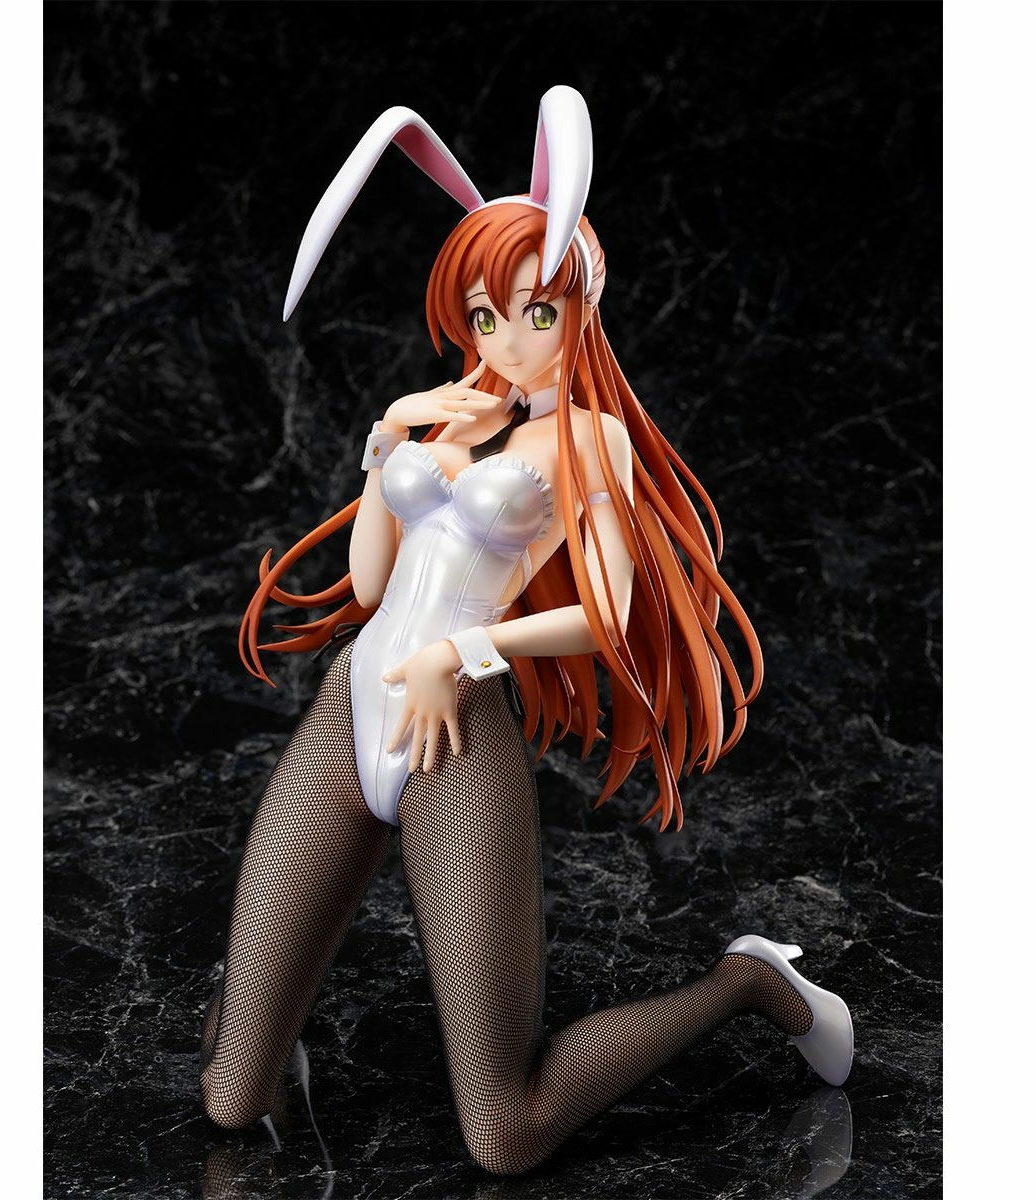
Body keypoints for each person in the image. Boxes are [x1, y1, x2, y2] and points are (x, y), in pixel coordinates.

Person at [199, 87, 853, 1178]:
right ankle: (264, 1016)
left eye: (536, 314)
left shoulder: (590, 440)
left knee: (505, 1135)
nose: (508, 341)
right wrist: (386, 445)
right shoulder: (453, 412)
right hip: (352, 709)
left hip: (456, 733)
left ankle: (751, 982)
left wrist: (463, 652)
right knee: (229, 1103)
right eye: (486, 315)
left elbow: (610, 616)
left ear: (580, 307)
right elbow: (368, 584)